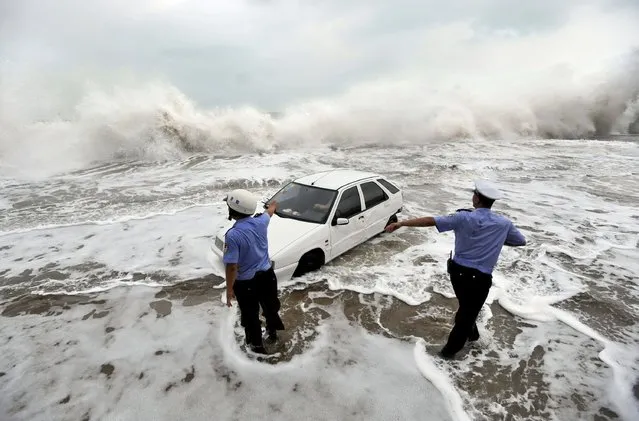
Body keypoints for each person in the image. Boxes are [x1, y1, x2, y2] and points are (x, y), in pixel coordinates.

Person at [385, 180, 527, 359]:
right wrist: (495, 239)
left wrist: (402, 223)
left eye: (474, 194)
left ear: (476, 198)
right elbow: (520, 241)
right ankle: (456, 347)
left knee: (466, 310)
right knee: (467, 314)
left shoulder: (463, 217)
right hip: (480, 278)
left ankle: (458, 346)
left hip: (457, 274)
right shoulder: (503, 224)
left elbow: (431, 221)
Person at [223, 188, 285, 354]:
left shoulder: (232, 235)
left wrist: (229, 290)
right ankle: (272, 332)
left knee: (250, 316)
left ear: (232, 211)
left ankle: (257, 347)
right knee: (270, 307)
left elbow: (232, 267)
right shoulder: (261, 221)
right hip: (267, 277)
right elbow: (270, 211)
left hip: (246, 284)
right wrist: (274, 204)